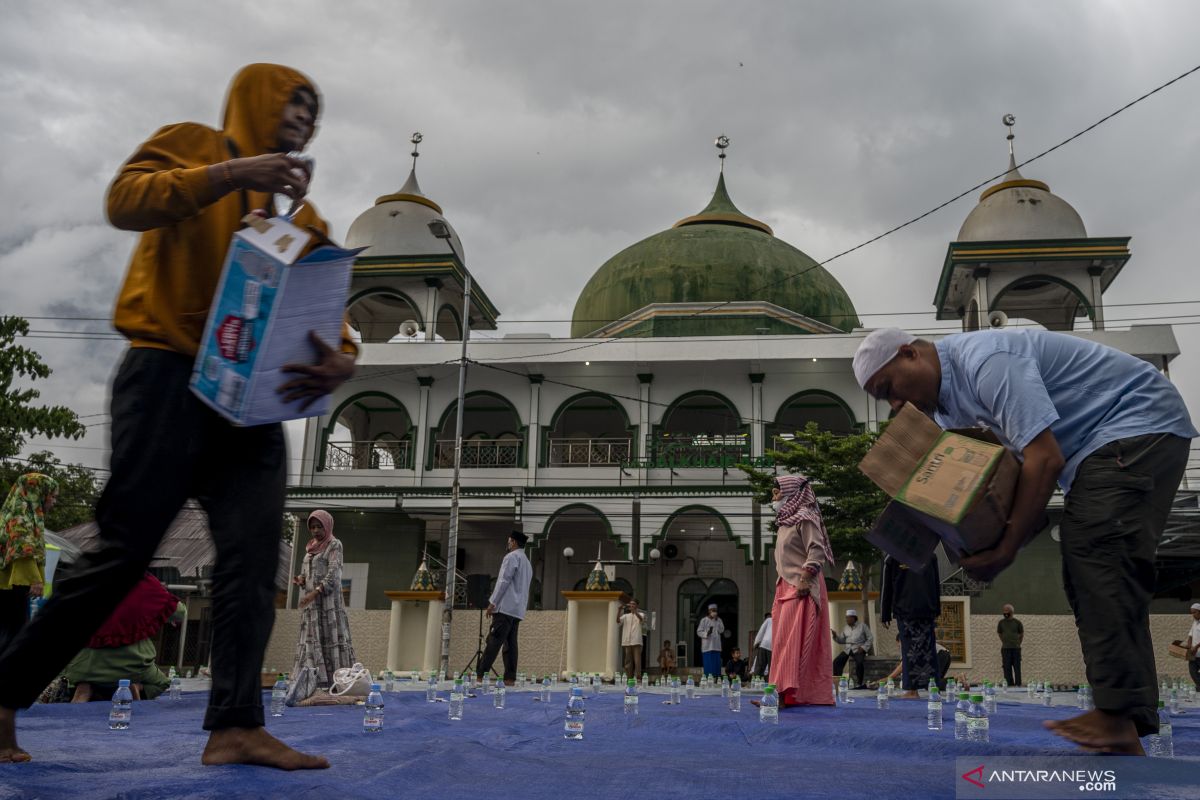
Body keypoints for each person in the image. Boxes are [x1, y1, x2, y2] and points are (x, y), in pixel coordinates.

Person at [0, 64, 357, 769]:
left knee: (255, 560)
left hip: (251, 406)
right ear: (255, 100)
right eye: (292, 105)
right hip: (167, 374)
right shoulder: (191, 146)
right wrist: (231, 175)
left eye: (312, 115)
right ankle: (4, 695)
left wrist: (343, 355)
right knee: (121, 555)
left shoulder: (304, 221)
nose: (302, 123)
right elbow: (126, 202)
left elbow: (329, 306)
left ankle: (234, 726)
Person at [854, 327, 1196, 754]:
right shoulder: (945, 415)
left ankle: (1119, 716)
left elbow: (1044, 457)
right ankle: (1125, 717)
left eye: (889, 388)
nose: (895, 404)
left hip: (1138, 421)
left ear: (910, 354)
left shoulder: (986, 361)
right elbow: (993, 484)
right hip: (1096, 451)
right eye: (882, 399)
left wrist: (1007, 548)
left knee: (1095, 550)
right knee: (1092, 567)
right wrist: (970, 542)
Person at [63, 573, 185, 702]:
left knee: (70, 678)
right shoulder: (146, 582)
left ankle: (86, 686)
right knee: (162, 683)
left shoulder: (86, 578)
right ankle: (135, 686)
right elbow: (180, 613)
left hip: (84, 667)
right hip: (132, 665)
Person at [768, 474, 835, 706]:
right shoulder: (786, 521)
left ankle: (784, 694)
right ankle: (783, 693)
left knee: (793, 642)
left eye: (777, 491)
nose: (773, 495)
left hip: (801, 586)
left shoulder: (805, 518)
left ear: (791, 493)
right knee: (782, 641)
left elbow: (816, 550)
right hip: (785, 585)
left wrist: (806, 580)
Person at [285, 511, 355, 705]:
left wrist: (315, 592)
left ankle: (335, 683)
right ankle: (312, 684)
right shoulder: (310, 548)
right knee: (311, 640)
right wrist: (301, 580)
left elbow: (334, 573)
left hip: (327, 604)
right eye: (313, 527)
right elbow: (307, 573)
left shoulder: (334, 544)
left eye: (319, 527)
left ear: (327, 526)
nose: (316, 531)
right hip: (311, 606)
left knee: (329, 638)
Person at [0, 474, 58, 657]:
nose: (54, 502)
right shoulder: (22, 516)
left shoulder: (13, 512)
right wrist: (35, 580)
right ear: (38, 492)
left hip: (7, 583)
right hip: (15, 584)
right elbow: (23, 549)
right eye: (53, 496)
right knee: (15, 634)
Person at [880, 553, 942, 696]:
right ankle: (927, 688)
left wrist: (885, 614)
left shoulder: (929, 557)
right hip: (913, 610)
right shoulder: (894, 558)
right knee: (920, 650)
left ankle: (918, 689)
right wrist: (936, 609)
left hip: (917, 610)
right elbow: (888, 585)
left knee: (916, 651)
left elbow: (935, 583)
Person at [477, 531, 532, 685]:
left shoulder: (511, 557)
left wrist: (492, 602)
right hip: (517, 610)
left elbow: (503, 581)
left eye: (509, 541)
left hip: (505, 608)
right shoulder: (527, 562)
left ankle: (480, 675)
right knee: (511, 645)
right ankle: (510, 678)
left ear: (513, 542)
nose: (508, 544)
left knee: (494, 642)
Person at [832, 609, 873, 690]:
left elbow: (870, 638)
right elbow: (842, 641)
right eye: (846, 618)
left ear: (854, 618)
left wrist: (864, 647)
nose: (847, 620)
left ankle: (859, 683)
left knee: (859, 663)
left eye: (848, 618)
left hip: (858, 649)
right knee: (836, 662)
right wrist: (835, 636)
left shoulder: (862, 626)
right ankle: (838, 682)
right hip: (848, 649)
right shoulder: (846, 628)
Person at [997, 604, 1024, 687]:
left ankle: (1018, 684)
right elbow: (1000, 633)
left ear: (1011, 612)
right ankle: (1009, 684)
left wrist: (1017, 643)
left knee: (1017, 667)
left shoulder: (1017, 622)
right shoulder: (1001, 623)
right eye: (1004, 611)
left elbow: (1021, 634)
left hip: (1016, 648)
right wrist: (1005, 642)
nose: (1005, 613)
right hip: (1005, 649)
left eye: (1007, 611)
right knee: (1006, 667)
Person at [617, 598, 645, 678]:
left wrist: (635, 611)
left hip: (637, 641)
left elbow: (641, 619)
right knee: (628, 661)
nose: (631, 605)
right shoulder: (625, 616)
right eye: (631, 604)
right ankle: (629, 678)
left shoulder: (641, 614)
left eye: (633, 604)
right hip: (627, 641)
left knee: (637, 661)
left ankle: (638, 678)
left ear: (636, 605)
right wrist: (619, 611)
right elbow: (618, 621)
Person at [696, 604, 725, 678]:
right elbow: (699, 632)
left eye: (715, 610)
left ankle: (717, 678)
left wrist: (717, 622)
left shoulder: (719, 620)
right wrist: (706, 633)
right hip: (707, 647)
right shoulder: (704, 620)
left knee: (716, 664)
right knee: (709, 665)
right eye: (713, 610)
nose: (714, 612)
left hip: (716, 646)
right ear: (709, 611)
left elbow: (722, 630)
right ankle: (708, 679)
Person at [1184, 603, 1200, 691]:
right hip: (1194, 654)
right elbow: (1190, 635)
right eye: (1192, 613)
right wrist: (1189, 645)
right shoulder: (1195, 623)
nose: (1193, 615)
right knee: (1193, 672)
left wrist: (1197, 646)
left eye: (1194, 612)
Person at [751, 612, 772, 678]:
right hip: (773, 647)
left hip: (764, 644)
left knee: (759, 666)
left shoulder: (769, 620)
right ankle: (771, 683)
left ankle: (756, 682)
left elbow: (761, 631)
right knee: (772, 668)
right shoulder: (781, 620)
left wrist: (756, 642)